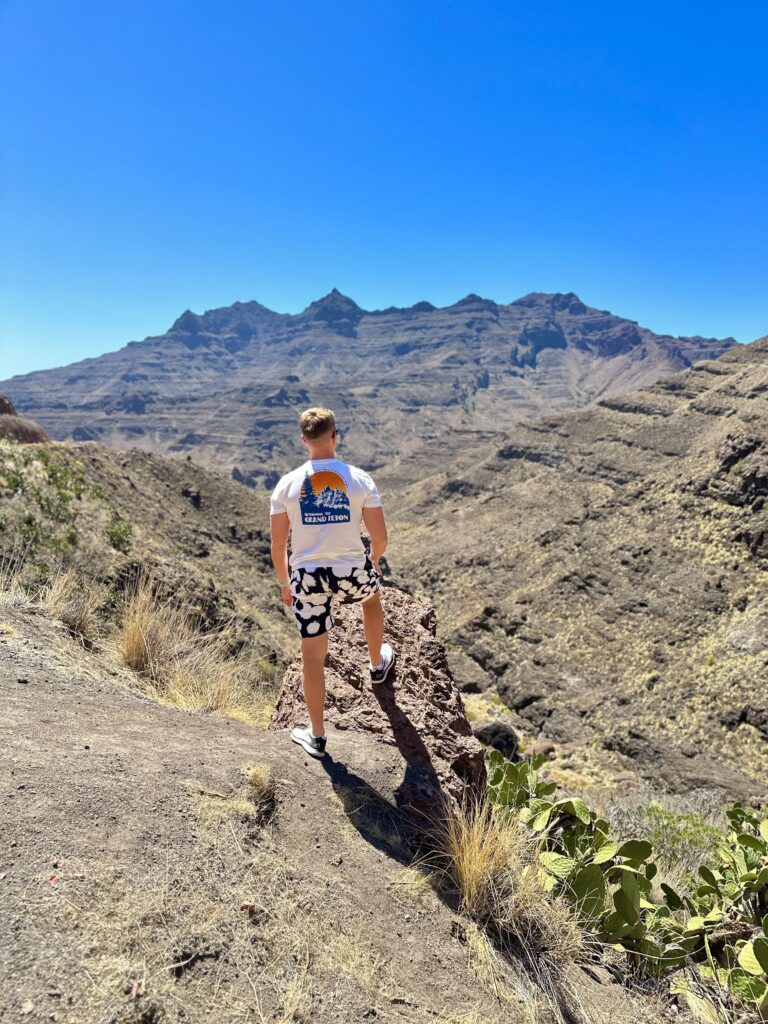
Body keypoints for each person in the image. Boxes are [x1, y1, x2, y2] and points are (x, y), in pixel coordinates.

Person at [269, 406, 396, 758]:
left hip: (307, 578)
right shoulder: (359, 479)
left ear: (303, 440)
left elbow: (278, 544)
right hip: (350, 571)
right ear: (335, 435)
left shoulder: (287, 485)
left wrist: (285, 583)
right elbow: (380, 535)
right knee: (371, 600)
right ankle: (376, 665)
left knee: (313, 657)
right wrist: (373, 560)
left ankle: (318, 737)